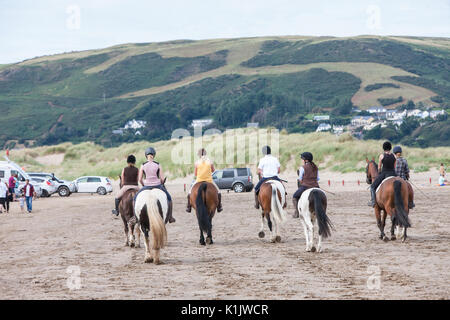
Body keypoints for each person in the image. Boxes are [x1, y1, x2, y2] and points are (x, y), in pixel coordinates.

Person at [136, 147, 175, 223]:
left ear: (146, 155)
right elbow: (162, 179)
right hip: (157, 185)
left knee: (135, 198)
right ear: (154, 155)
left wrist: (144, 184)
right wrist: (160, 182)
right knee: (169, 198)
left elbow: (140, 179)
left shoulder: (143, 165)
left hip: (146, 186)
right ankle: (170, 216)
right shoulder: (158, 164)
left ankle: (135, 217)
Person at [186, 148, 223, 213]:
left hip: (199, 180)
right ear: (206, 154)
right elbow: (213, 170)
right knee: (219, 192)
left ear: (199, 155)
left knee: (189, 192)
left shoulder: (197, 162)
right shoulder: (210, 161)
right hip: (209, 180)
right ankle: (219, 206)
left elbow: (195, 173)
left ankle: (189, 207)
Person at [368, 141, 397, 207]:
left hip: (384, 174)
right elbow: (395, 166)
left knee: (372, 187)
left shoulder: (382, 156)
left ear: (383, 148)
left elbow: (379, 167)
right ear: (390, 148)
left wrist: (379, 172)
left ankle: (373, 201)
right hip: (393, 173)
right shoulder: (394, 156)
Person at [292, 152, 320, 218]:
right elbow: (318, 178)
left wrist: (304, 181)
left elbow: (300, 179)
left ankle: (297, 212)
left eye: (302, 159)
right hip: (316, 186)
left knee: (294, 196)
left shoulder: (303, 168)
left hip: (305, 186)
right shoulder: (315, 167)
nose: (302, 160)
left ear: (306, 160)